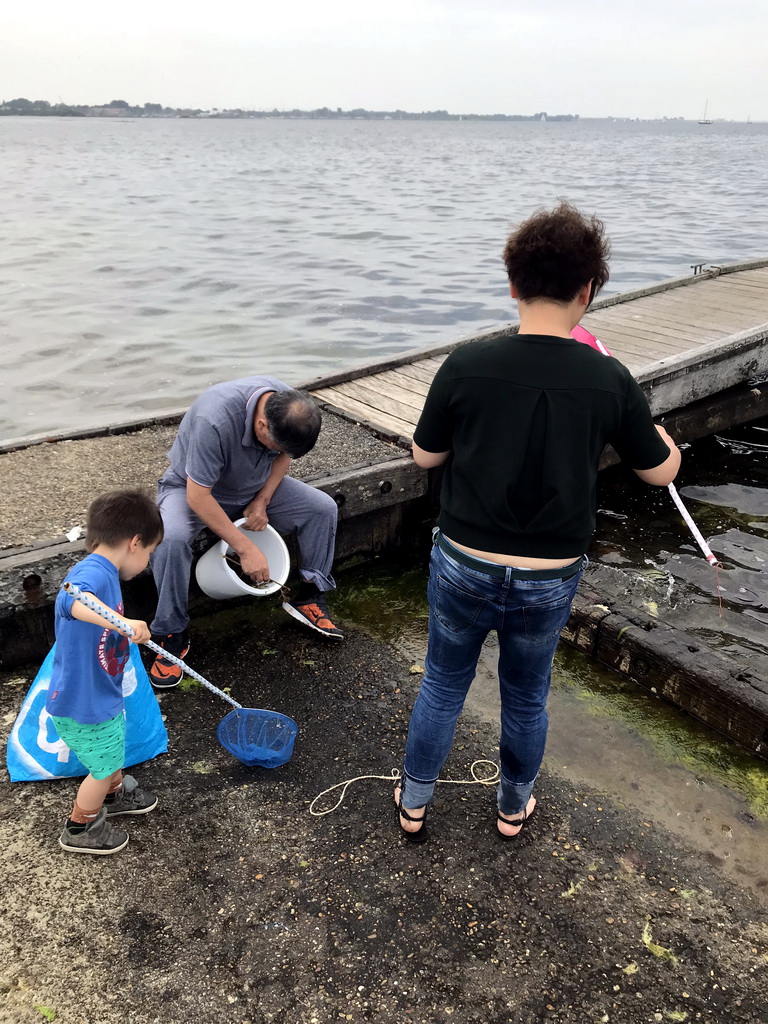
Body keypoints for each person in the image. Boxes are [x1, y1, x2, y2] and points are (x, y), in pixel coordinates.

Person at [395, 202, 681, 842]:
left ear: (512, 284)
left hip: (465, 560)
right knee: (526, 694)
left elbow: (424, 455)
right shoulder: (609, 378)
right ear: (588, 291)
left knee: (443, 682)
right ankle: (511, 807)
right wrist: (667, 442)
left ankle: (414, 803)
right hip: (549, 574)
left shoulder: (466, 363)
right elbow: (659, 471)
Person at [149, 376, 342, 688]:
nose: (280, 452)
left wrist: (262, 501)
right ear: (263, 425)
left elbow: (282, 457)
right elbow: (198, 497)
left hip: (253, 487)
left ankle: (309, 595)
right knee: (169, 540)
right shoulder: (213, 419)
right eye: (276, 444)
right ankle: (172, 632)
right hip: (192, 489)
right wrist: (246, 548)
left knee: (323, 509)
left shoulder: (285, 405)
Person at [47, 490, 164, 855]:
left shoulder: (108, 571)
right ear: (135, 543)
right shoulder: (92, 572)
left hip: (101, 694)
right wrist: (125, 623)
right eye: (149, 553)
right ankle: (80, 827)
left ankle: (114, 795)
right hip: (85, 701)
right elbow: (71, 599)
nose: (146, 562)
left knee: (110, 752)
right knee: (100, 769)